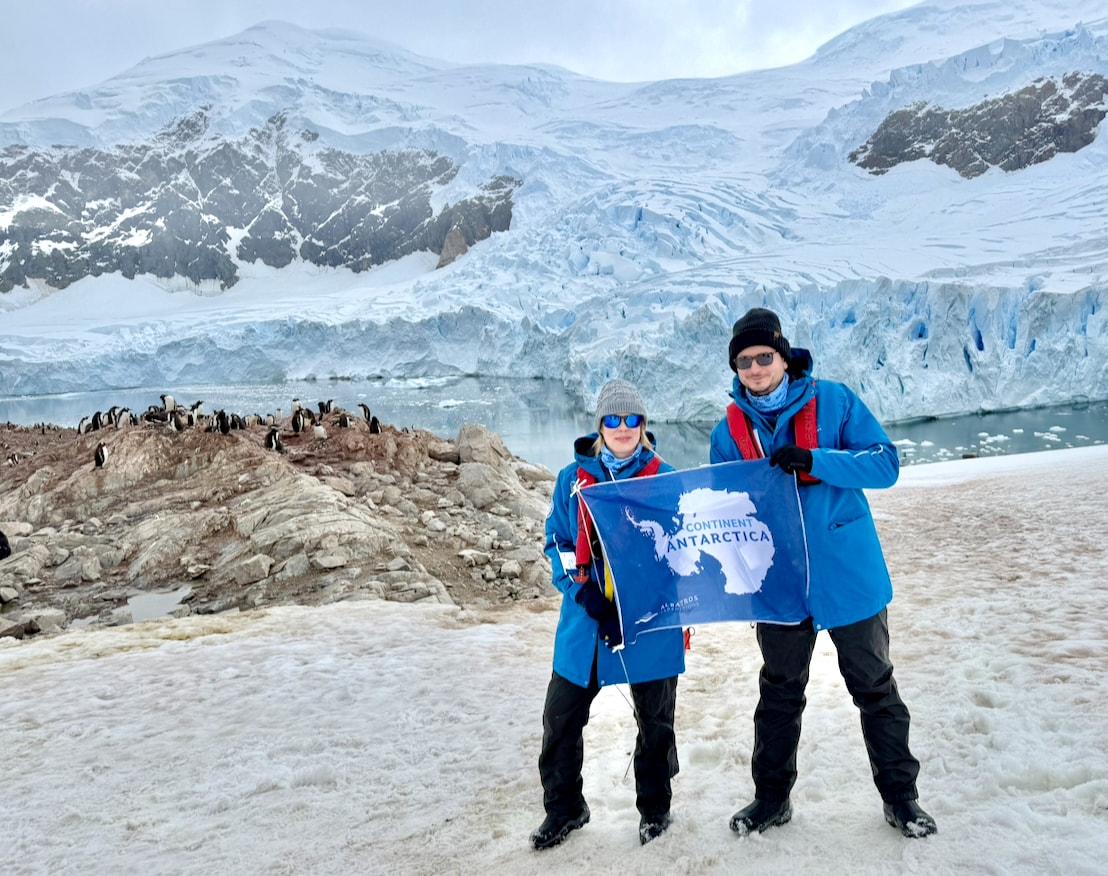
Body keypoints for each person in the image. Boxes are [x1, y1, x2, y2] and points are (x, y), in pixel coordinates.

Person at [709, 307, 937, 839]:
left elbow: (885, 463)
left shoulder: (834, 400)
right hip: (779, 583)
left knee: (875, 688)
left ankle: (901, 800)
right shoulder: (728, 431)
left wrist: (815, 460)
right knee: (779, 693)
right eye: (744, 361)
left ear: (783, 356)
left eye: (764, 357)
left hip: (847, 575)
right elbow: (721, 507)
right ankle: (771, 800)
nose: (755, 369)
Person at [532, 379, 686, 850]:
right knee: (561, 717)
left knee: (655, 722)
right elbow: (557, 543)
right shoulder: (571, 479)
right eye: (613, 419)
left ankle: (655, 809)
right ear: (600, 425)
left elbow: (680, 551)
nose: (623, 427)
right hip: (587, 620)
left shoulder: (664, 477)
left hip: (650, 620)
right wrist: (585, 596)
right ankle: (565, 808)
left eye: (631, 418)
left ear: (643, 424)